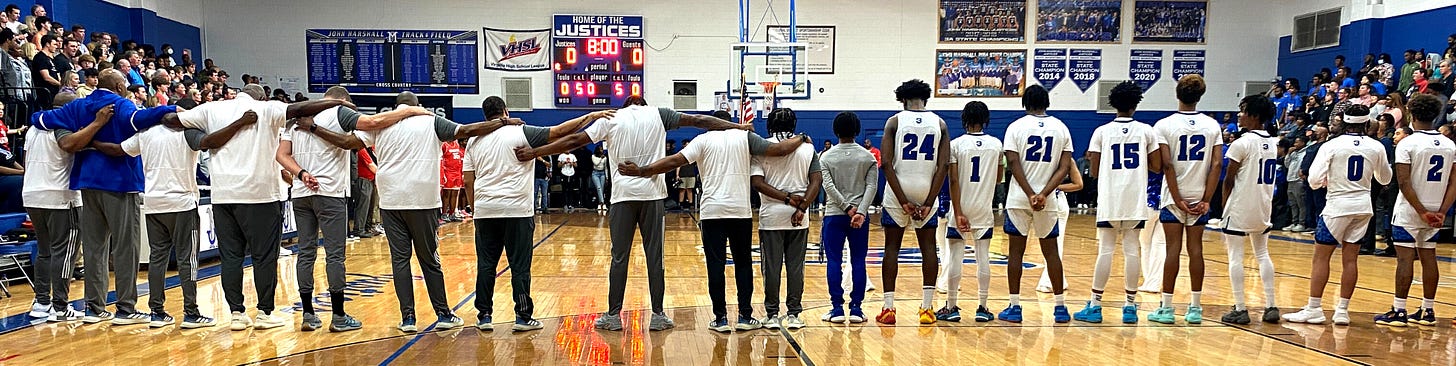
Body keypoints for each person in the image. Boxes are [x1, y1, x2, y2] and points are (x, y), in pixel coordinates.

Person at [513, 99, 751, 332]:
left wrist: (535, 152)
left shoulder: (612, 117)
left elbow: (574, 140)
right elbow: (699, 120)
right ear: (644, 105)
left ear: (625, 105)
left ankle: (614, 316)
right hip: (653, 196)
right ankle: (658, 315)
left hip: (623, 197)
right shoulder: (659, 114)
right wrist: (737, 127)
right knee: (655, 258)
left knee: (619, 258)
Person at [175, 84, 358, 331]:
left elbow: (173, 119)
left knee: (231, 257)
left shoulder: (211, 108)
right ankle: (265, 312)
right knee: (264, 257)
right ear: (262, 95)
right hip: (259, 194)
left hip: (223, 195)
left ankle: (237, 314)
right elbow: (301, 108)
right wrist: (336, 103)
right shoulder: (267, 108)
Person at [616, 113, 806, 333]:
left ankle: (720, 319)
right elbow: (779, 150)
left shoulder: (703, 140)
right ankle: (745, 316)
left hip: (711, 212)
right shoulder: (744, 136)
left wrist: (642, 171)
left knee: (715, 265)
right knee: (743, 265)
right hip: (739, 212)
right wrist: (801, 137)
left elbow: (674, 161)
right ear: (728, 122)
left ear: (713, 123)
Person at [351, 92, 517, 332]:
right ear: (417, 106)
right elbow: (467, 130)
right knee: (429, 260)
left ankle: (408, 319)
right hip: (423, 201)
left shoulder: (381, 121)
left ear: (397, 107)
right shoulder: (431, 120)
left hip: (391, 201)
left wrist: (313, 128)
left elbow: (349, 142)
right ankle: (443, 314)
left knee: (400, 261)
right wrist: (503, 122)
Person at [29, 69, 182, 326]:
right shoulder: (120, 104)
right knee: (125, 247)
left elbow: (39, 118)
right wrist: (173, 109)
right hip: (119, 182)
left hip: (87, 182)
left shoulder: (79, 105)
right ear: (121, 86)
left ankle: (94, 307)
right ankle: (125, 308)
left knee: (94, 248)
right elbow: (140, 118)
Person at [276, 86, 422, 332]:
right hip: (330, 192)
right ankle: (339, 316)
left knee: (306, 252)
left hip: (301, 193)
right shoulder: (339, 112)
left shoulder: (295, 120)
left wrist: (301, 174)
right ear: (343, 100)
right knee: (335, 255)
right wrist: (411, 111)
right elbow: (375, 121)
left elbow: (281, 155)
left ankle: (308, 316)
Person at [462, 96, 612, 332]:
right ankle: (522, 317)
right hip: (517, 210)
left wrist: (475, 209)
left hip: (485, 210)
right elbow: (561, 131)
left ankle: (484, 315)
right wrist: (590, 116)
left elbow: (468, 181)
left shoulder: (473, 141)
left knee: (486, 265)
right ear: (506, 111)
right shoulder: (521, 132)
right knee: (519, 266)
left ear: (485, 115)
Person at [1284, 105, 1391, 326]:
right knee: (1351, 259)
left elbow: (1313, 181)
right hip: (1363, 205)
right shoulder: (1376, 146)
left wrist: (1325, 181)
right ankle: (1342, 310)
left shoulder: (1332, 145)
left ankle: (1314, 308)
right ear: (1366, 122)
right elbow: (1384, 179)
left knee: (1321, 257)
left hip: (1337, 205)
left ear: (1343, 121)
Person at [114, 114, 215, 329]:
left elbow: (119, 149)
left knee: (157, 258)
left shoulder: (145, 133)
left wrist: (90, 144)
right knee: (187, 258)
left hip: (153, 203)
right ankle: (191, 313)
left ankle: (157, 312)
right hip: (181, 202)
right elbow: (209, 142)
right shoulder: (188, 132)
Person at [1076, 81, 1156, 324]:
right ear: (1136, 103)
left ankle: (1096, 304)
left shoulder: (1101, 132)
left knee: (1106, 250)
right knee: (1132, 249)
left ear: (1112, 103)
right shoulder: (1146, 130)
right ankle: (1130, 306)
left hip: (1111, 198)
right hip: (1135, 197)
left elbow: (1095, 171)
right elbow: (1155, 166)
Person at [21, 100, 107, 322]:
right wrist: (96, 124)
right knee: (64, 251)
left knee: (44, 251)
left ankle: (41, 302)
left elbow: (25, 159)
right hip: (59, 195)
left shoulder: (33, 128)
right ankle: (60, 306)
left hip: (32, 192)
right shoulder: (62, 124)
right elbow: (68, 144)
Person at [875, 79, 951, 325]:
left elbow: (886, 162)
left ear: (902, 99)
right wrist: (929, 201)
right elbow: (943, 166)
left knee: (891, 250)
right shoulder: (940, 123)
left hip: (899, 190)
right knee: (929, 249)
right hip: (927, 188)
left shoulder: (895, 121)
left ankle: (888, 309)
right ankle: (927, 309)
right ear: (926, 98)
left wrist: (902, 199)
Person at [1149, 74, 1223, 325]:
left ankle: (1167, 308)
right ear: (1200, 95)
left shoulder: (1163, 125)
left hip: (1174, 197)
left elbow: (1166, 165)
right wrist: (1206, 199)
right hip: (1199, 195)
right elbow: (1216, 164)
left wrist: (1177, 198)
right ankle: (1195, 308)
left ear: (1177, 94)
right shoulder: (1212, 126)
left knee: (1172, 250)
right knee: (1196, 250)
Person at [1375, 94, 1452, 327]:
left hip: (1410, 210)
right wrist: (1441, 211)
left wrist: (1420, 211)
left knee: (1405, 259)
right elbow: (1454, 182)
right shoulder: (1450, 144)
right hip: (1436, 210)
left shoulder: (1407, 143)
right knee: (1429, 258)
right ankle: (1428, 311)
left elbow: (1404, 182)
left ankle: (1399, 310)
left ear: (1412, 114)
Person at [1000, 84, 1073, 323]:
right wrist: (1043, 193)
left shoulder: (1015, 127)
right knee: (1052, 253)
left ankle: (1014, 306)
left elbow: (1013, 162)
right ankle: (1060, 307)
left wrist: (1031, 193)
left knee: (1015, 254)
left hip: (1019, 198)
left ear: (1025, 103)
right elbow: (1064, 168)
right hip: (1048, 199)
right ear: (1047, 102)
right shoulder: (1061, 128)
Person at [750, 108, 821, 330]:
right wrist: (801, 206)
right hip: (799, 217)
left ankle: (771, 315)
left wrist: (787, 199)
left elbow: (758, 183)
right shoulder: (808, 148)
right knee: (795, 267)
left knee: (771, 268)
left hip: (771, 216)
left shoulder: (761, 147)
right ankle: (794, 314)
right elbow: (816, 181)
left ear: (770, 124)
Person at [1217, 95, 1283, 325]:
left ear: (1254, 116)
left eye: (1243, 111)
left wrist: (1224, 206)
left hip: (1241, 206)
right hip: (1263, 205)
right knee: (1263, 254)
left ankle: (1240, 307)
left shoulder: (1241, 143)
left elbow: (1229, 179)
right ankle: (1271, 305)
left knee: (1235, 256)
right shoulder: (1272, 143)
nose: (1239, 114)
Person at [939, 101, 1001, 323]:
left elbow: (953, 180)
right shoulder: (996, 145)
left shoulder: (956, 145)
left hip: (960, 208)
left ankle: (951, 306)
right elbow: (998, 178)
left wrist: (958, 212)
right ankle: (983, 307)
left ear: (964, 119)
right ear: (986, 119)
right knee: (983, 257)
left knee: (955, 256)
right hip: (984, 208)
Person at [818, 112, 878, 324]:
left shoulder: (825, 157)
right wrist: (860, 211)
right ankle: (856, 309)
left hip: (835, 215)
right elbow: (872, 186)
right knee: (858, 260)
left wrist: (846, 208)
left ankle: (836, 309)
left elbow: (828, 187)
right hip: (860, 218)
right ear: (857, 130)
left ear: (835, 131)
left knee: (834, 260)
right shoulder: (868, 157)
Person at [440, 137, 464, 222]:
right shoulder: (444, 145)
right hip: (448, 172)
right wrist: (443, 174)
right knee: (447, 195)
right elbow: (441, 159)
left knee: (455, 194)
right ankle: (444, 214)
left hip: (457, 172)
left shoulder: (456, 143)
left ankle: (452, 213)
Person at [591, 146, 608, 211]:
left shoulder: (605, 158)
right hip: (595, 173)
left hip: (602, 173)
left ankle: (599, 204)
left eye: (602, 149)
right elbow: (596, 163)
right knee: (598, 188)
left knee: (602, 189)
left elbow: (605, 168)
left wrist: (607, 177)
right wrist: (601, 158)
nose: (602, 150)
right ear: (598, 150)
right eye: (601, 149)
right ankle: (603, 203)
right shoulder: (593, 156)